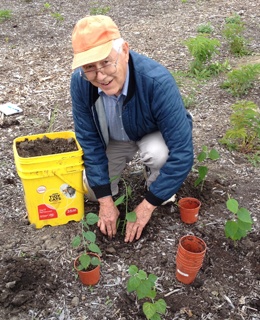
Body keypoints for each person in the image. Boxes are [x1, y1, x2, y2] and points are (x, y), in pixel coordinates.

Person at [70, 15, 193, 243]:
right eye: (89, 67)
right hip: (114, 139)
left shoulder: (156, 82)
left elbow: (183, 152)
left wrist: (147, 206)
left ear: (124, 51)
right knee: (93, 191)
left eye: (106, 62)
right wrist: (106, 202)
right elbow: (89, 140)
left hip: (150, 133)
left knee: (161, 156)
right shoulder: (81, 83)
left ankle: (155, 181)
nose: (100, 75)